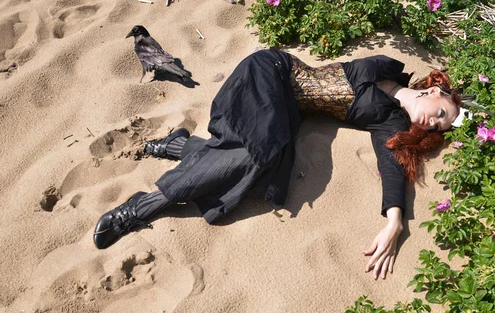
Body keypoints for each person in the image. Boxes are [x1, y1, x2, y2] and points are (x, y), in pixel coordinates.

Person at [93, 49, 461, 280]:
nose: (434, 123)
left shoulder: (391, 123)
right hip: (272, 71)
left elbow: (391, 165)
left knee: (270, 185)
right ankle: (141, 206)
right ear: (435, 92)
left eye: (441, 126)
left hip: (285, 112)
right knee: (261, 150)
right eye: (441, 113)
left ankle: (183, 147)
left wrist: (395, 222)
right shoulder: (388, 66)